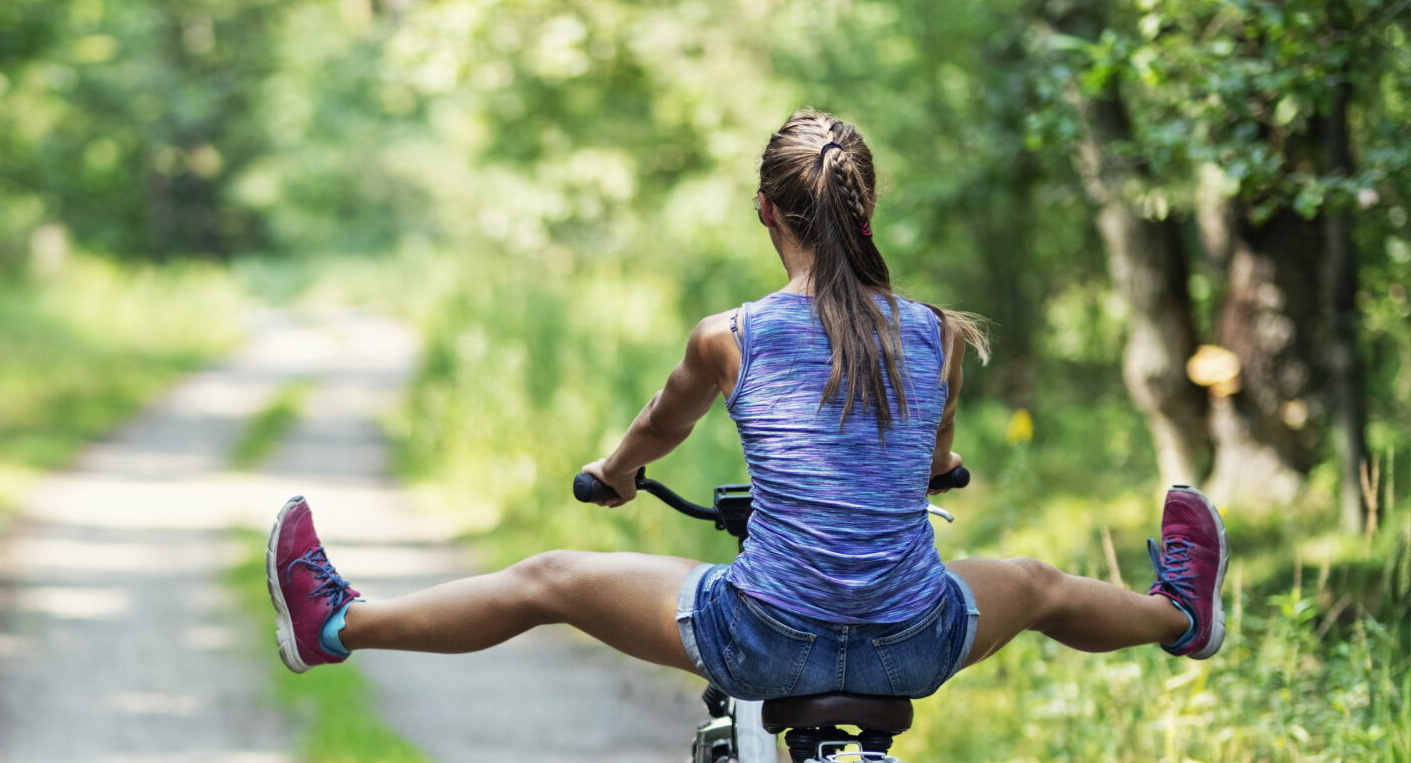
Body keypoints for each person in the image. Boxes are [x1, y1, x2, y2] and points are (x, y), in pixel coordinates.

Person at [265, 109, 1227, 702]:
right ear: (868, 213)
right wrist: (933, 471)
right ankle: (1181, 616)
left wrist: (616, 474)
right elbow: (935, 460)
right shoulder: (934, 335)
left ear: (766, 211)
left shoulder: (731, 335)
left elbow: (657, 427)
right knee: (1041, 583)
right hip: (915, 642)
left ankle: (339, 626)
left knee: (548, 579)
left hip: (764, 637)